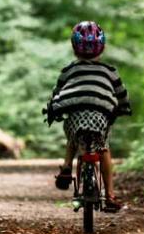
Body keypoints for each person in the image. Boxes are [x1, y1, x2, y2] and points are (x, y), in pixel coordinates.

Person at [44, 21, 131, 212]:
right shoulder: (110, 71)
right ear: (103, 47)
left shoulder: (68, 70)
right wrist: (124, 108)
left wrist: (51, 109)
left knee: (73, 136)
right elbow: (121, 94)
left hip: (75, 114)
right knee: (104, 148)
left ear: (74, 48)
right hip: (101, 116)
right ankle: (110, 194)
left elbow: (56, 93)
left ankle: (67, 166)